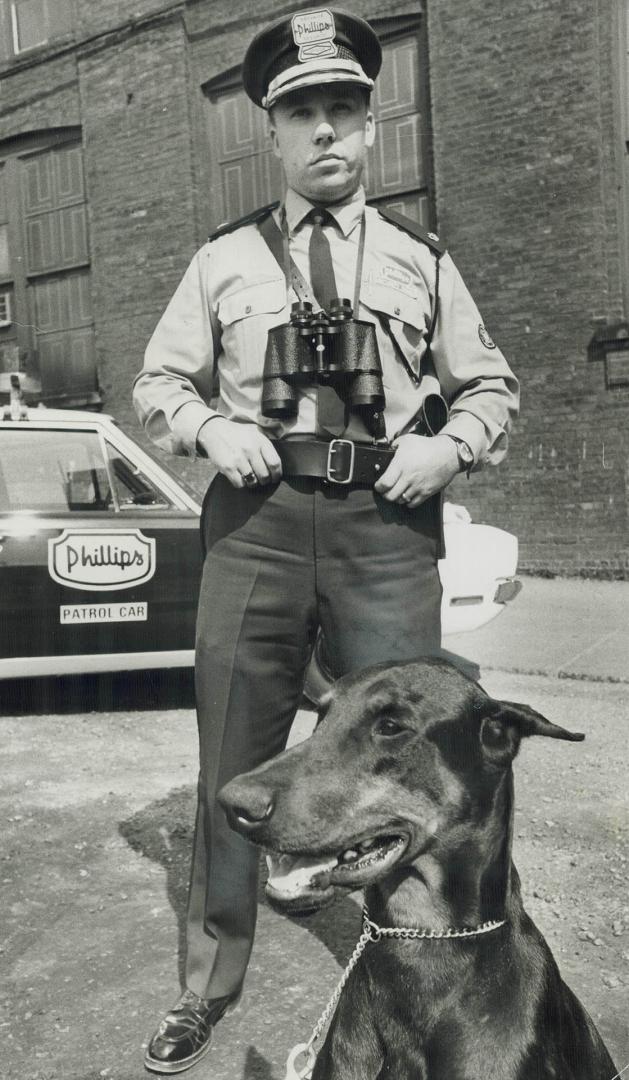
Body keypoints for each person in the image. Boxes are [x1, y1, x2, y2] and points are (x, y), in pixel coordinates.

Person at [133, 8, 519, 1073]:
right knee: (234, 754)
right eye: (303, 113)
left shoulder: (421, 262)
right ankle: (208, 981)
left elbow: (488, 386)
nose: (326, 132)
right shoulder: (219, 264)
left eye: (343, 108)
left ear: (368, 124)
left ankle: (419, 976)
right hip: (254, 528)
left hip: (383, 529)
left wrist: (443, 455)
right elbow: (158, 381)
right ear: (273, 132)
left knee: (403, 757)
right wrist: (211, 427)